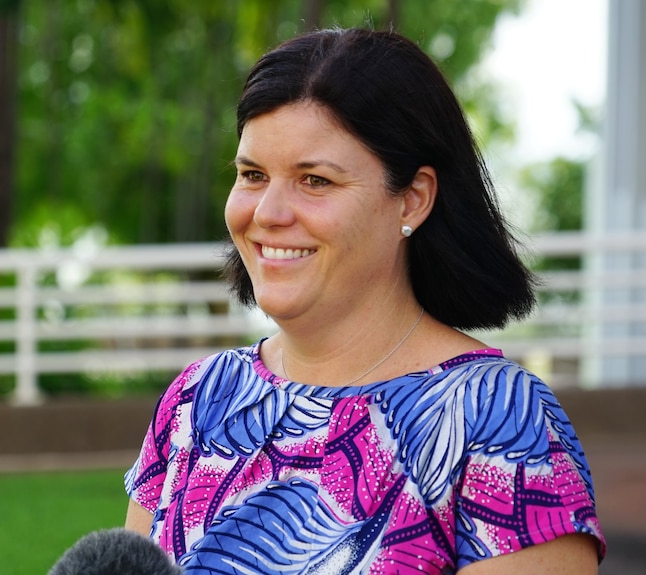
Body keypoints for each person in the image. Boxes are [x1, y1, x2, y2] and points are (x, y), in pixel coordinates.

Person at [124, 27, 606, 574]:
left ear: (413, 199)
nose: (267, 213)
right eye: (253, 175)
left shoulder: (499, 423)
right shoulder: (198, 401)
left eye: (315, 180)